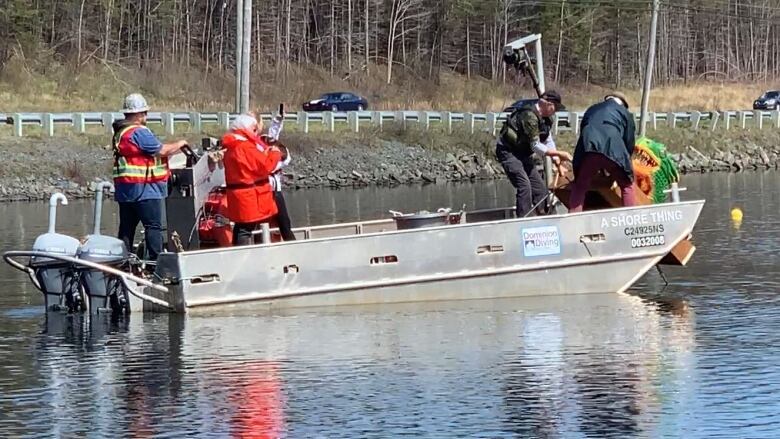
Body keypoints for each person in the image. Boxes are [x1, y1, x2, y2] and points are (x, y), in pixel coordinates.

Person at [112, 93, 187, 261]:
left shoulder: (120, 133)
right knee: (153, 227)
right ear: (138, 114)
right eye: (144, 112)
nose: (146, 116)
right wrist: (181, 144)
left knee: (126, 229)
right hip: (146, 190)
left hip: (126, 190)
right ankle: (156, 264)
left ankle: (123, 262)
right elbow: (161, 151)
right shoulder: (139, 132)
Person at [496, 90, 573, 217]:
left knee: (540, 189)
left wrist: (557, 160)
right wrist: (560, 153)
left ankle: (543, 215)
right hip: (508, 152)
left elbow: (547, 140)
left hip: (524, 154)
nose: (556, 111)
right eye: (555, 107)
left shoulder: (547, 119)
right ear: (547, 104)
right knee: (524, 185)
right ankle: (523, 219)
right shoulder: (529, 116)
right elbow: (535, 146)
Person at [568, 92, 637, 213]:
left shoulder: (592, 109)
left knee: (580, 186)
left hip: (587, 148)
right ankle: (630, 220)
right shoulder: (625, 113)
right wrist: (625, 166)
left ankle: (574, 220)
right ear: (623, 103)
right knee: (627, 185)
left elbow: (583, 130)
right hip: (614, 147)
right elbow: (629, 141)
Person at [221, 114, 283, 246]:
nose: (256, 133)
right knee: (246, 227)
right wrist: (275, 153)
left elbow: (251, 164)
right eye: (254, 130)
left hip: (239, 194)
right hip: (249, 195)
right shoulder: (244, 147)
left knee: (242, 226)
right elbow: (265, 166)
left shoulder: (233, 146)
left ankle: (243, 254)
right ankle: (243, 256)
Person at [263, 107, 296, 241]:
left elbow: (272, 136)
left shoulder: (267, 150)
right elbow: (272, 138)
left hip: (273, 191)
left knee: (283, 223)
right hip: (267, 192)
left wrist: (278, 119)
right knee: (283, 224)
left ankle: (289, 246)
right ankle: (291, 246)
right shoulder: (273, 159)